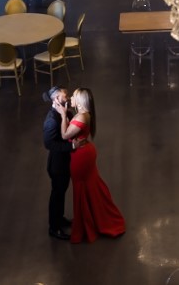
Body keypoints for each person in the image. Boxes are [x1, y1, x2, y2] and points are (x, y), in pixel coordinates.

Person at [56, 87, 126, 243]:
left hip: (80, 157)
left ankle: (87, 224)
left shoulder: (81, 117)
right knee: (89, 187)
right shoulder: (84, 114)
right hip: (84, 153)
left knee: (82, 188)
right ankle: (95, 218)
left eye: (74, 96)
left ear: (80, 101)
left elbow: (65, 135)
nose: (70, 98)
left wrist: (63, 115)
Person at [43, 85, 77, 240]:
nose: (68, 98)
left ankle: (60, 218)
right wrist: (71, 146)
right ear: (56, 99)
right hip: (57, 165)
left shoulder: (63, 112)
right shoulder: (51, 120)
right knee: (57, 194)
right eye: (65, 96)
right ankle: (54, 227)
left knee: (62, 192)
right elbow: (49, 144)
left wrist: (66, 114)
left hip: (64, 162)